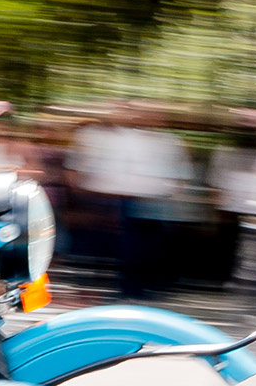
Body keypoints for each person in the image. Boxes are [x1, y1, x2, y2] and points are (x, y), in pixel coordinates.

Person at [68, 102, 190, 298]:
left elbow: (178, 174)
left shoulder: (168, 140)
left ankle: (140, 287)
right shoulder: (128, 137)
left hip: (152, 200)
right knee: (127, 247)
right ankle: (126, 288)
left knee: (145, 248)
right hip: (125, 199)